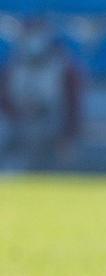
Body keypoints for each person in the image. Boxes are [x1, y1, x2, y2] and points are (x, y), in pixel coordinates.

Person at [0, 17, 84, 171]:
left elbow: (73, 105)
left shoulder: (64, 66)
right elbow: (5, 99)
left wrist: (69, 136)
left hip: (51, 127)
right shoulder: (14, 64)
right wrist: (20, 112)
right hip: (19, 127)